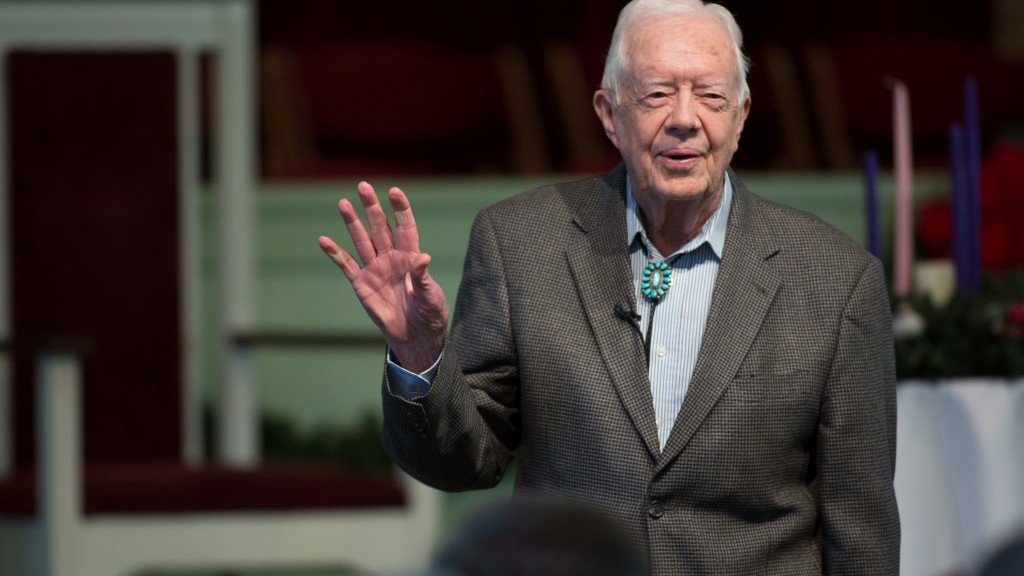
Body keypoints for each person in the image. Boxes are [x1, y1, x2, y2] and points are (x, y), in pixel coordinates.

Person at [319, 0, 900, 573]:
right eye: (656, 94)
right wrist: (419, 356)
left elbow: (861, 526)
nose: (684, 117)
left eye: (711, 96)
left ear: (742, 114)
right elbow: (459, 464)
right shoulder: (521, 244)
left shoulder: (836, 279)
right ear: (608, 112)